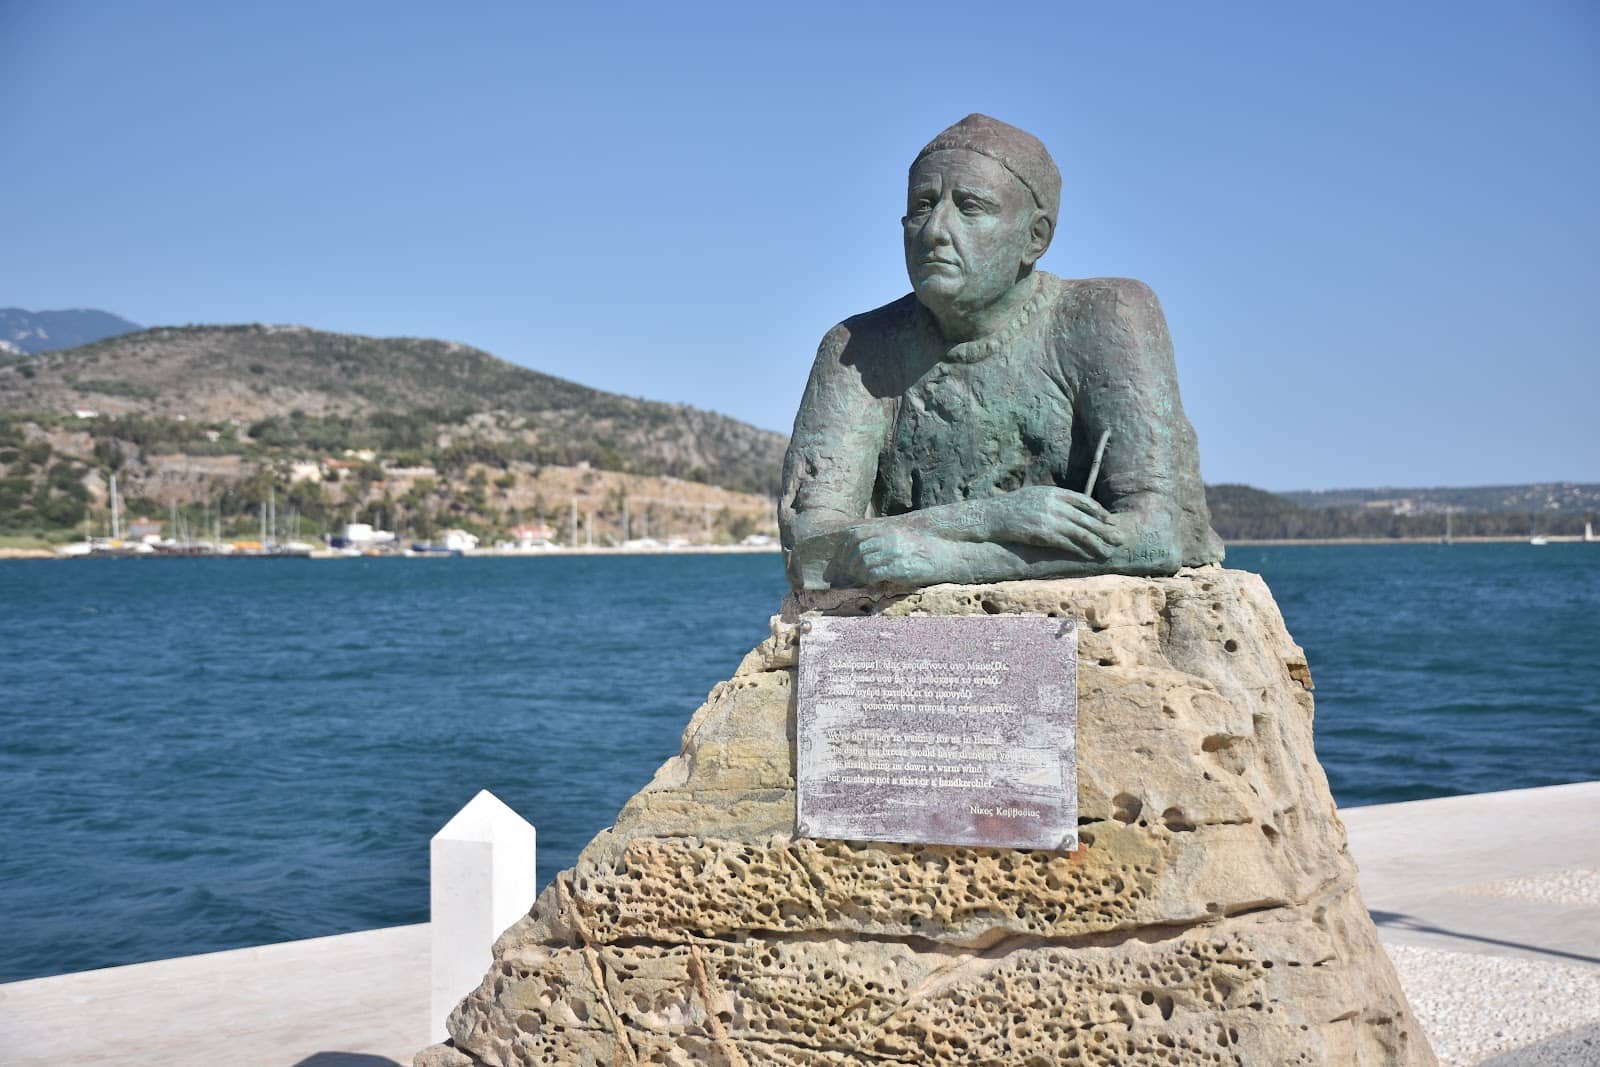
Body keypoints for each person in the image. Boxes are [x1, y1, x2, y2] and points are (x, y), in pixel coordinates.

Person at [779, 113, 1223, 590]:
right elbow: (810, 550)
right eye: (922, 205)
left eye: (970, 207)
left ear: (1035, 238)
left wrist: (946, 562)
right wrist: (987, 520)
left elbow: (1156, 536)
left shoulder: (1107, 317)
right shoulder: (856, 350)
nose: (934, 230)